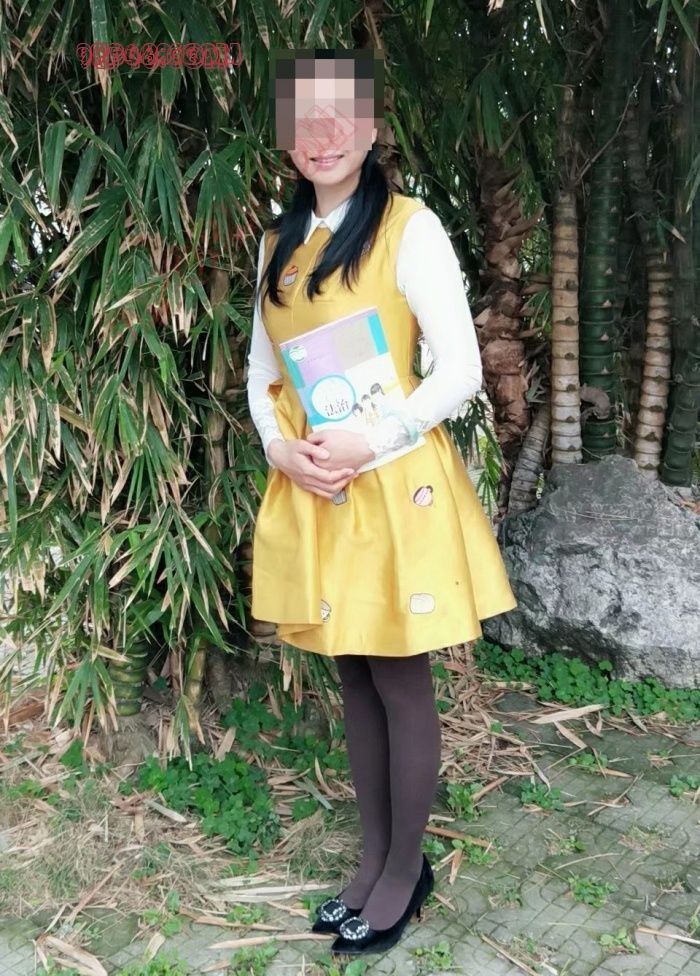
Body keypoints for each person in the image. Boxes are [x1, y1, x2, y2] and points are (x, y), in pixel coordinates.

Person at [246, 48, 518, 956]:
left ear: (370, 128)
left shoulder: (410, 227)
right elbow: (260, 371)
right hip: (318, 485)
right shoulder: (277, 244)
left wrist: (373, 439)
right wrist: (279, 447)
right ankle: (371, 858)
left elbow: (461, 370)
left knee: (399, 677)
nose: (321, 134)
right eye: (303, 117)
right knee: (353, 674)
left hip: (393, 483)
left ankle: (405, 869)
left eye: (341, 115)